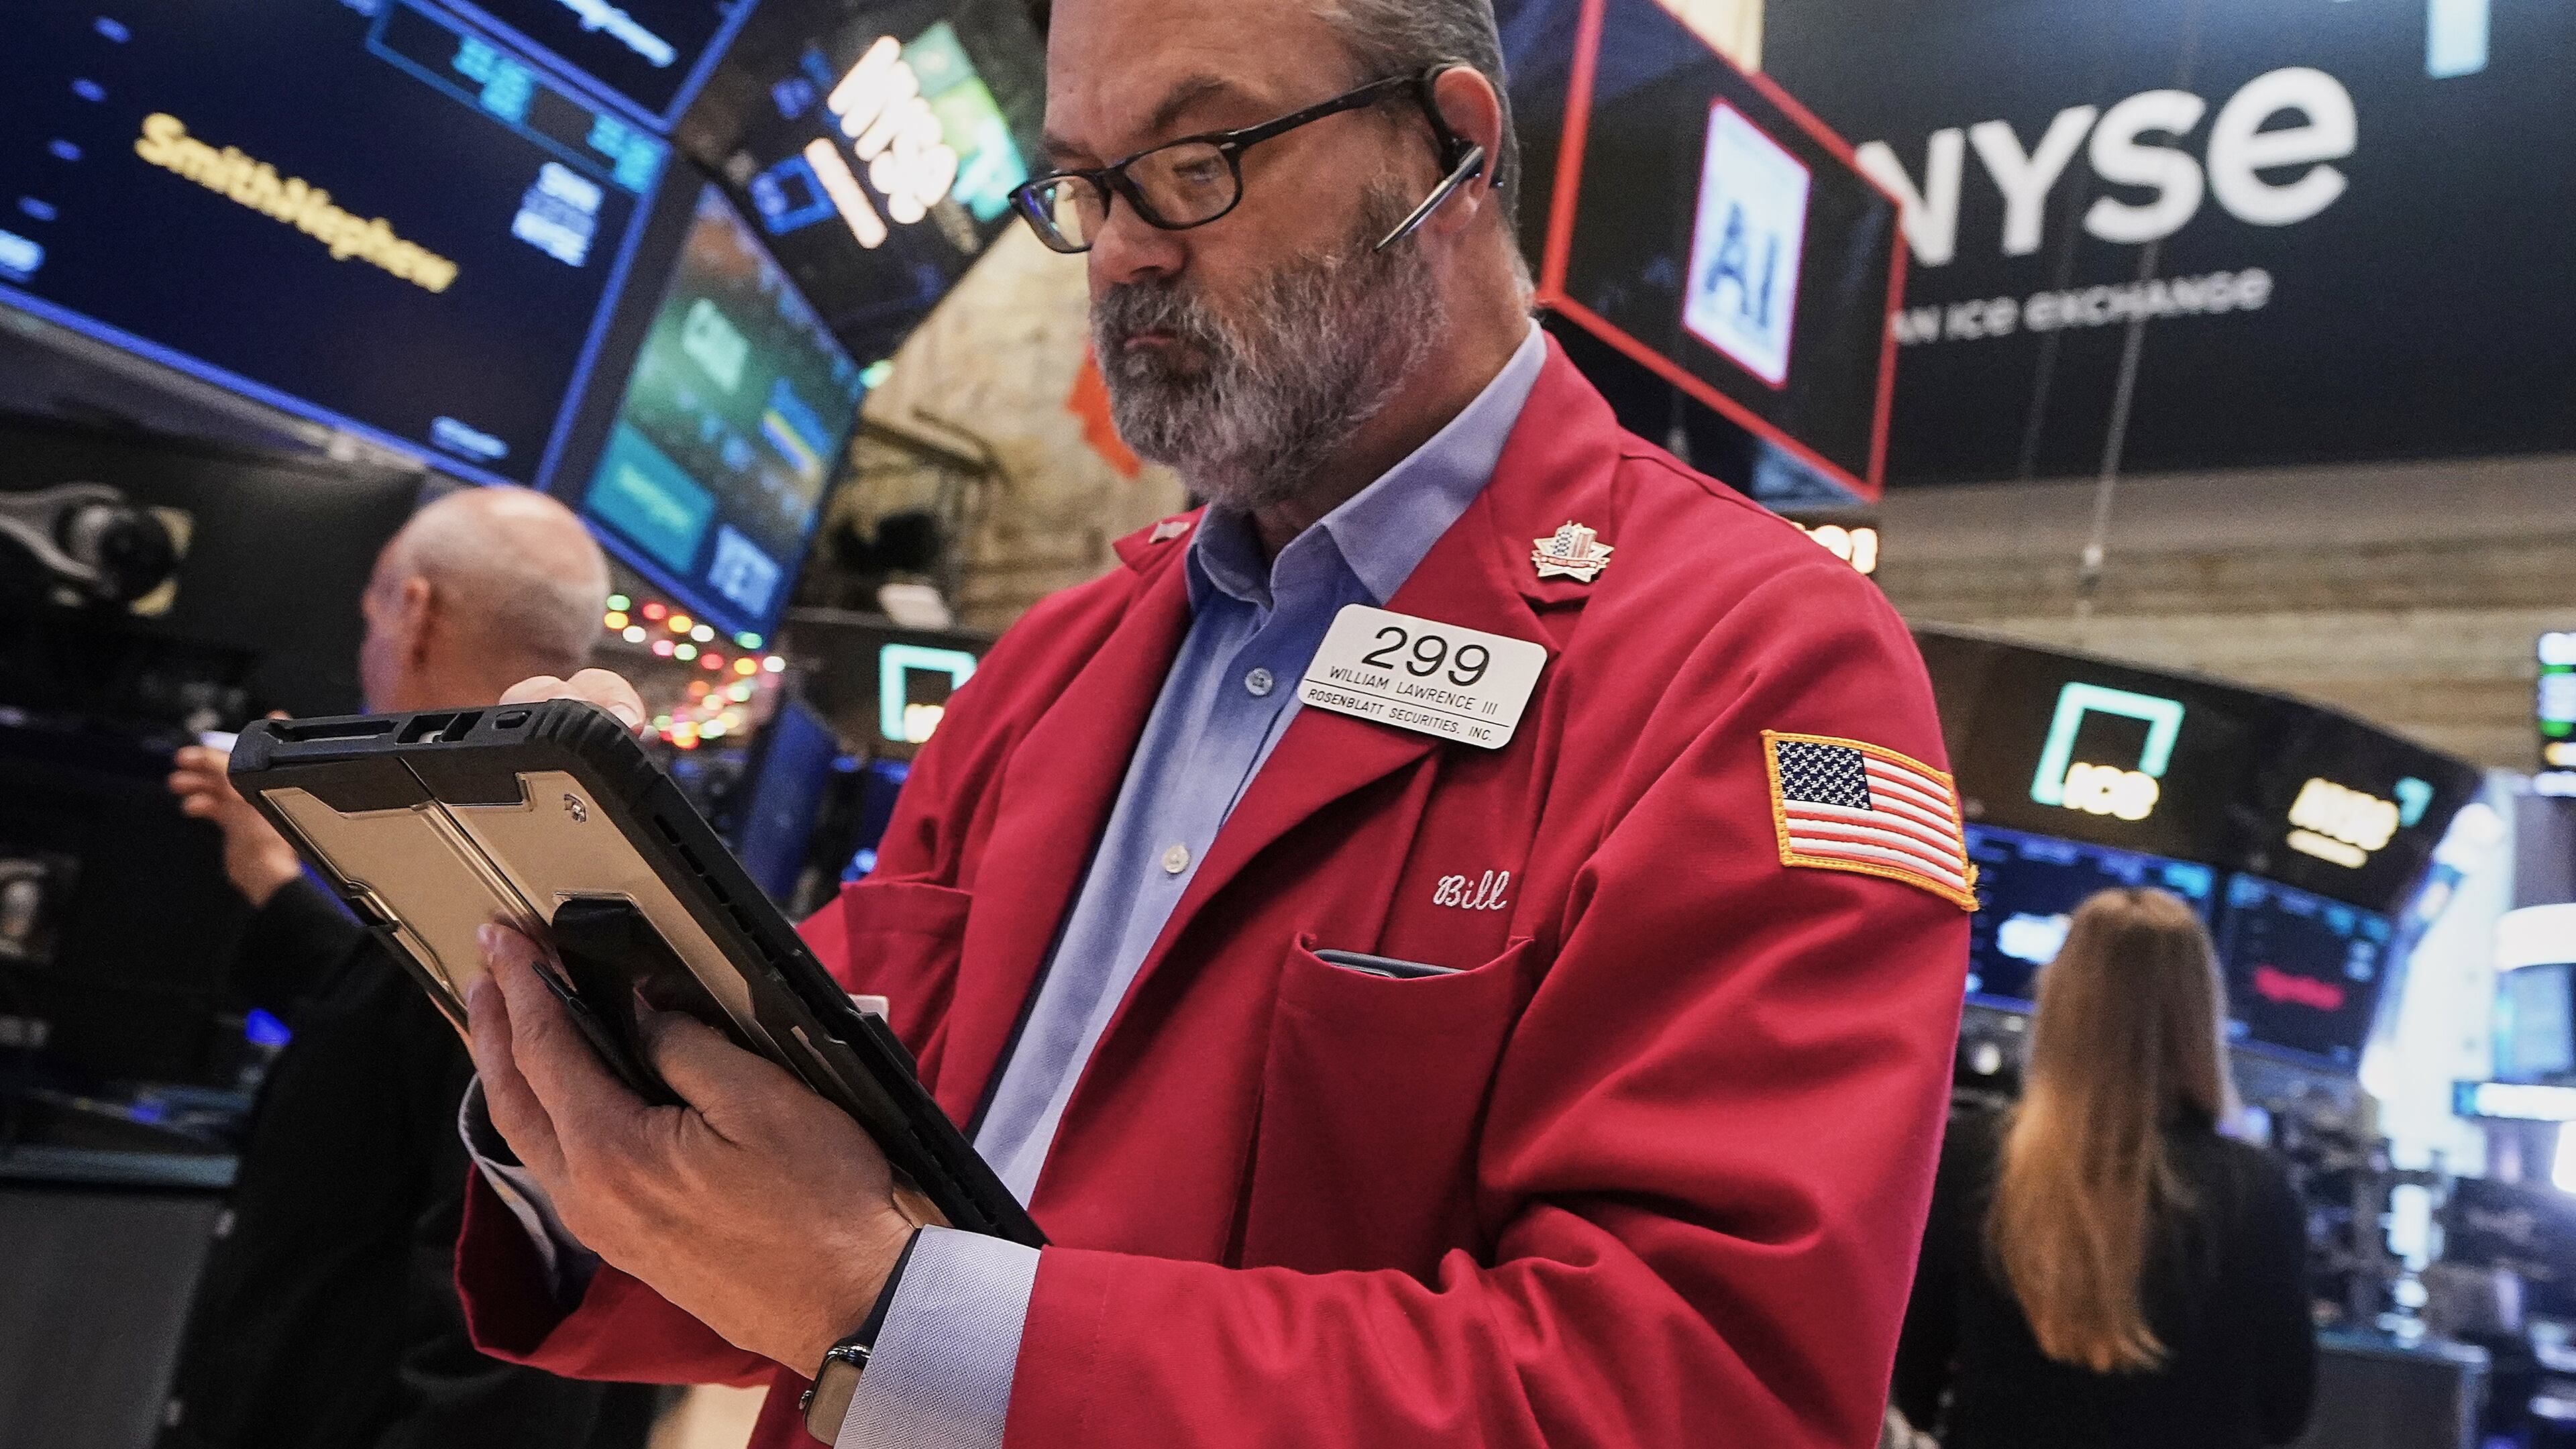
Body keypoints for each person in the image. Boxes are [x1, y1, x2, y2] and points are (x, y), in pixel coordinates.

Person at [449, 1, 1976, 1446]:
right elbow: (802, 1182)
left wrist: (892, 1305)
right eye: (1081, 185)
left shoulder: (1757, 665)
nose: (1122, 250)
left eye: (1195, 163)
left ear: (1450, 152)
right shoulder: (1052, 667)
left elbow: (1697, 1388)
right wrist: (591, 1041)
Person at [158, 486, 656, 1449]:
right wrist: (272, 880)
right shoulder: (558, 843)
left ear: (415, 611)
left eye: (373, 616)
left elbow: (506, 1356)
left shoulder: (485, 871)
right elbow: (391, 1035)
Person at [1891, 889, 2318, 1448]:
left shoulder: (1973, 1159)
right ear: (2201, 1017)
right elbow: (2286, 1410)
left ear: (2060, 1001)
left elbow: (1913, 1380)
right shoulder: (2257, 1191)